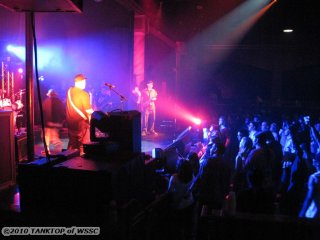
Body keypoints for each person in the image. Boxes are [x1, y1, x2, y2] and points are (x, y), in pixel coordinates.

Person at [66, 73, 94, 156]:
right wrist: (95, 114)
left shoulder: (69, 91)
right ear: (81, 82)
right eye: (84, 81)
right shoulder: (84, 94)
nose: (85, 83)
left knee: (71, 146)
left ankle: (67, 162)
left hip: (70, 123)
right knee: (84, 146)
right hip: (81, 124)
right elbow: (88, 110)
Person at [42, 89, 65, 155]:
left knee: (51, 137)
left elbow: (44, 112)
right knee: (48, 136)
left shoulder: (46, 101)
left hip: (49, 123)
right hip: (56, 123)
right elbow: (63, 112)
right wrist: (61, 122)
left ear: (49, 95)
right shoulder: (59, 101)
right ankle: (48, 151)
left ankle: (58, 152)